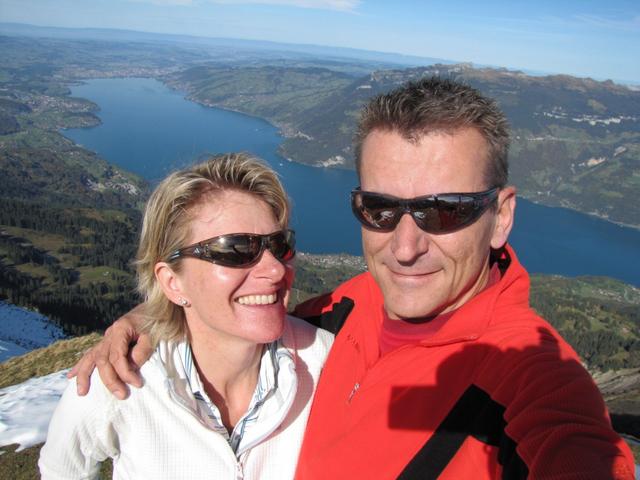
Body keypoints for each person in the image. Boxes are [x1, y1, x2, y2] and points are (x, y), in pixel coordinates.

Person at [69, 78, 636, 479]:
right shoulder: (344, 310)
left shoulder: (527, 371)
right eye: (380, 209)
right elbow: (242, 305)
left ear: (502, 216)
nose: (405, 248)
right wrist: (153, 315)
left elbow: (579, 448)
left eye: (444, 211)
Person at [39, 153, 333, 479]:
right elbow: (60, 471)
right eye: (235, 249)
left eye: (279, 245)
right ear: (172, 282)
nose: (276, 269)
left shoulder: (328, 363)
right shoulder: (119, 380)